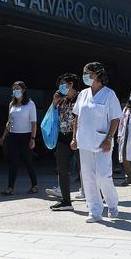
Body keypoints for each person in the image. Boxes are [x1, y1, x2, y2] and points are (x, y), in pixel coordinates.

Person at [71, 62, 121, 223]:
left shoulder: (109, 94)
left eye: (87, 73)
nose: (84, 76)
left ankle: (112, 204)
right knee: (88, 177)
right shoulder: (83, 94)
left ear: (97, 74)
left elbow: (115, 118)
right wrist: (74, 137)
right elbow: (77, 117)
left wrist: (109, 138)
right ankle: (95, 211)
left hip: (102, 142)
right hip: (84, 141)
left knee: (102, 176)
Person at [0, 81, 38, 195]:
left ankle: (34, 185)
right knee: (13, 162)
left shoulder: (30, 104)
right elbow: (9, 122)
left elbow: (34, 123)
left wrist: (33, 138)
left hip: (26, 136)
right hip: (13, 136)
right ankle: (10, 187)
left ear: (23, 90)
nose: (15, 90)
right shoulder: (12, 104)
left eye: (18, 88)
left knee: (28, 161)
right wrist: (4, 135)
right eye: (14, 88)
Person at [49, 73, 80, 211]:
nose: (60, 87)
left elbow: (79, 119)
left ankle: (99, 196)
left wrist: (75, 137)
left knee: (86, 170)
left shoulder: (81, 98)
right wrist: (54, 103)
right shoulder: (61, 100)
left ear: (71, 84)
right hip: (62, 137)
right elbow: (53, 118)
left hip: (79, 138)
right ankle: (66, 201)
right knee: (62, 170)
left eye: (63, 84)